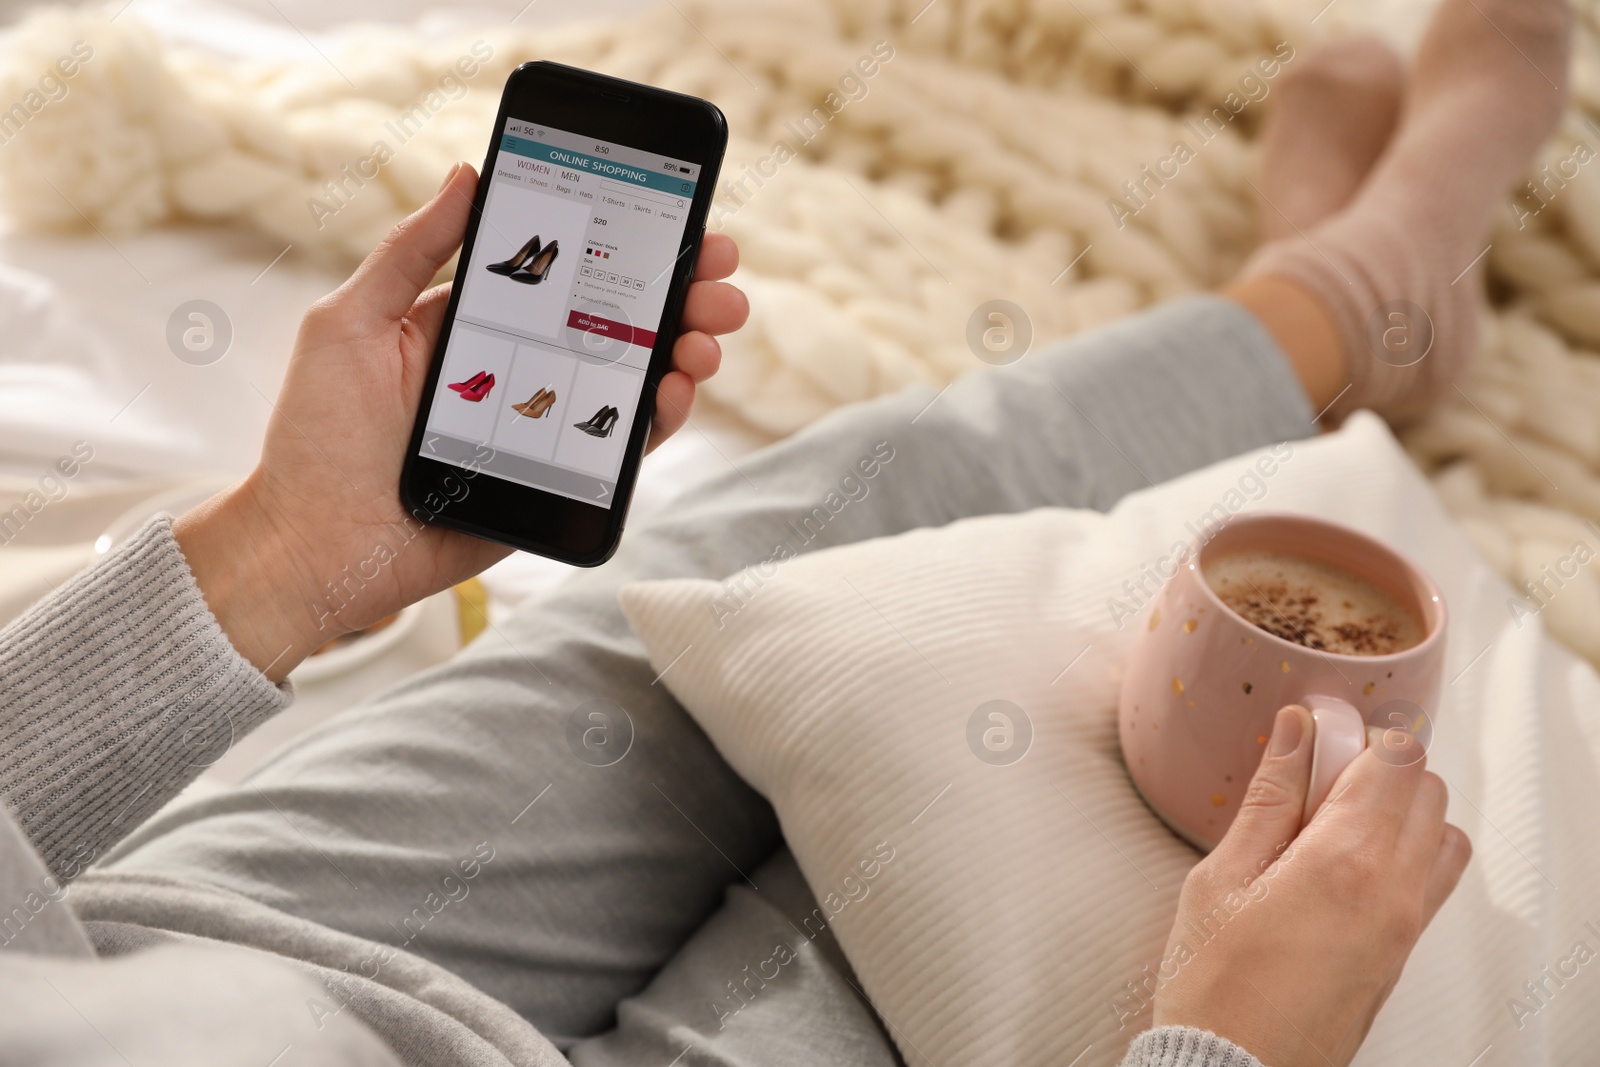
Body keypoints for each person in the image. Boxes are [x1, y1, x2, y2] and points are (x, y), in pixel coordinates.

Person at [0, 0, 1570, 1063]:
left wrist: (282, 555)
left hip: (168, 967)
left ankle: (1352, 297)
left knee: (798, 552)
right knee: (985, 833)